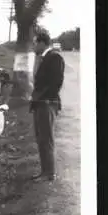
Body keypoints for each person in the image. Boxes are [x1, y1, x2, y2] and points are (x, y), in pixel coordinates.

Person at [30, 31, 65, 182]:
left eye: (35, 43)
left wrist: (45, 98)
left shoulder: (54, 57)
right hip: (39, 103)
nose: (33, 46)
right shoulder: (43, 58)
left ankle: (49, 173)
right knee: (40, 138)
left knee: (46, 138)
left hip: (47, 103)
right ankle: (44, 171)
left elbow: (56, 82)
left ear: (42, 43)